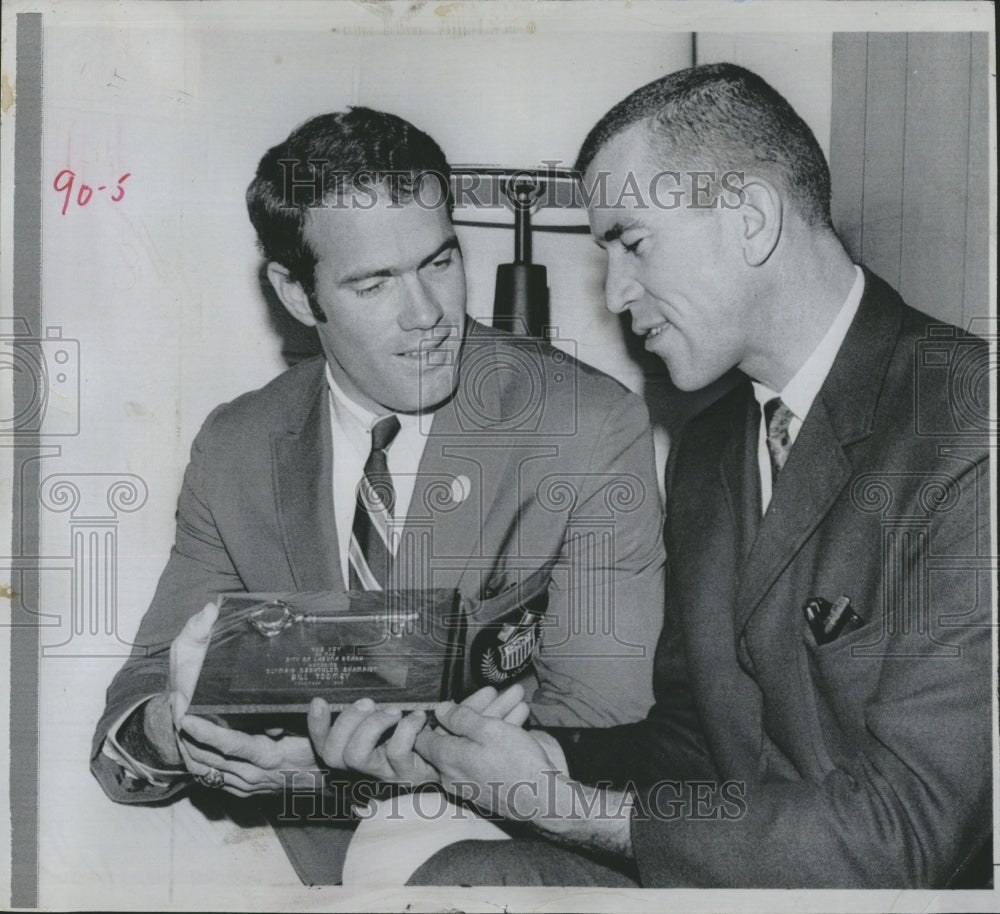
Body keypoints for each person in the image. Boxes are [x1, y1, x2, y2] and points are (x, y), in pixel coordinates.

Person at [325, 63, 992, 888]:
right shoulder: (716, 445)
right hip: (733, 873)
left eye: (632, 243)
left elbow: (908, 840)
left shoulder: (970, 431)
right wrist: (516, 756)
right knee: (446, 876)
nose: (616, 292)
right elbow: (686, 740)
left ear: (750, 219)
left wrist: (566, 807)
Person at [89, 107, 667, 885]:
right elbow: (134, 710)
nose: (427, 315)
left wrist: (332, 777)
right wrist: (179, 730)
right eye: (375, 283)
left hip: (511, 868)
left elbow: (610, 731)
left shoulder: (584, 426)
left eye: (439, 262)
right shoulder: (237, 447)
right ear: (297, 295)